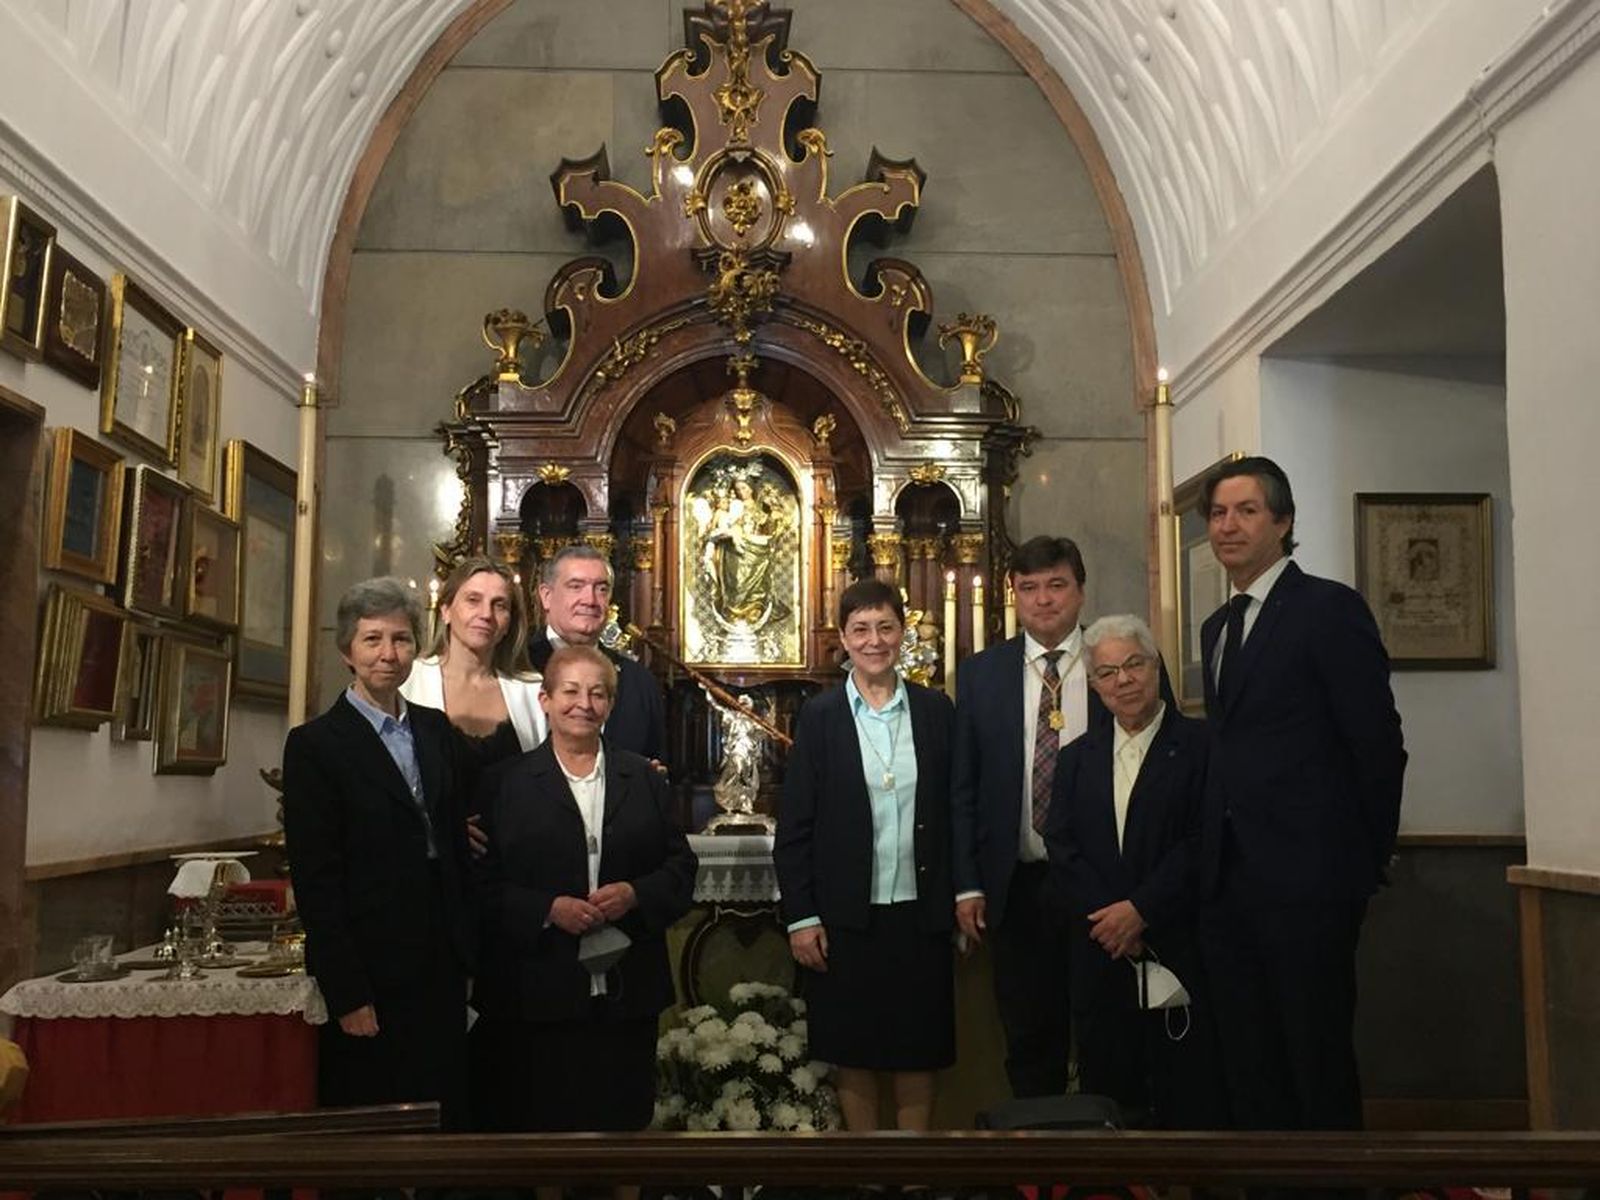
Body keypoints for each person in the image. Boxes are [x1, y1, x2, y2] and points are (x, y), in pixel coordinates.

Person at [1196, 455, 1406, 1135]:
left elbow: (1377, 744)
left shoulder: (1327, 609)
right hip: (1232, 882)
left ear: (1283, 522)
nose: (1229, 526)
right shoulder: (1219, 626)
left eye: (1247, 511)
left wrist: (1364, 856)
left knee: (1312, 1058)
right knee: (1250, 1064)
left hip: (1312, 880)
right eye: (1219, 513)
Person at [471, 644, 696, 1138]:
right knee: (545, 1120)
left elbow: (681, 870)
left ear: (611, 706)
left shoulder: (644, 778)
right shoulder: (504, 784)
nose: (584, 704)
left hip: (627, 987)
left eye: (597, 693)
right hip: (539, 987)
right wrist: (547, 908)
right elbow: (482, 887)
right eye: (570, 691)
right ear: (545, 700)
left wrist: (634, 894)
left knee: (625, 1116)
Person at [281, 577, 476, 1129]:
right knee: (376, 1121)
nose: (388, 654)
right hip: (371, 964)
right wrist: (347, 992)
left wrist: (467, 956)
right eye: (372, 640)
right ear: (347, 651)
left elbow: (455, 849)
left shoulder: (436, 730)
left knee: (444, 1114)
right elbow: (317, 880)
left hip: (439, 957)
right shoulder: (316, 746)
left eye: (401, 639)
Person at [773, 578, 957, 1131]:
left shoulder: (935, 711)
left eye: (885, 627)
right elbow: (796, 825)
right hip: (846, 916)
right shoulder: (821, 717)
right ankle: (870, 1174)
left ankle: (917, 1174)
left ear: (903, 632)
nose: (874, 640)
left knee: (916, 1047)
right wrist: (802, 916)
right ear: (844, 641)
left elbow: (956, 810)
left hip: (920, 911)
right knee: (853, 1050)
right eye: (861, 629)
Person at [1044, 614, 1223, 1129]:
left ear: (1155, 665)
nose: (1122, 680)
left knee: (1186, 1090)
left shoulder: (1201, 746)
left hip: (1179, 938)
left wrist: (1141, 911)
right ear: (1095, 685)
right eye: (1107, 672)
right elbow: (1062, 843)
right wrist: (1112, 920)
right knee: (1109, 1088)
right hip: (1102, 948)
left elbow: (1202, 840)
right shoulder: (1078, 757)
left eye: (1133, 664)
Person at [950, 534, 1095, 1098]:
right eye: (1029, 588)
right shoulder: (983, 675)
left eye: (1056, 586)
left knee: (1105, 1033)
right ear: (1014, 594)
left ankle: (1107, 1179)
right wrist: (967, 884)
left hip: (1100, 886)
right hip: (1019, 886)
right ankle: (1039, 1178)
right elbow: (963, 789)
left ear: (1080, 592)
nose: (1043, 601)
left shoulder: (1118, 660)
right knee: (1030, 1041)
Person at [529, 544, 667, 764]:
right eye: (576, 586)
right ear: (546, 596)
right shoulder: (516, 667)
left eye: (601, 589)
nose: (590, 600)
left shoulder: (639, 682)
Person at [402, 555, 546, 761]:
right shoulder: (409, 680)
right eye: (473, 600)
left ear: (509, 623)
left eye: (499, 605)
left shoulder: (532, 692)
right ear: (446, 610)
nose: (486, 614)